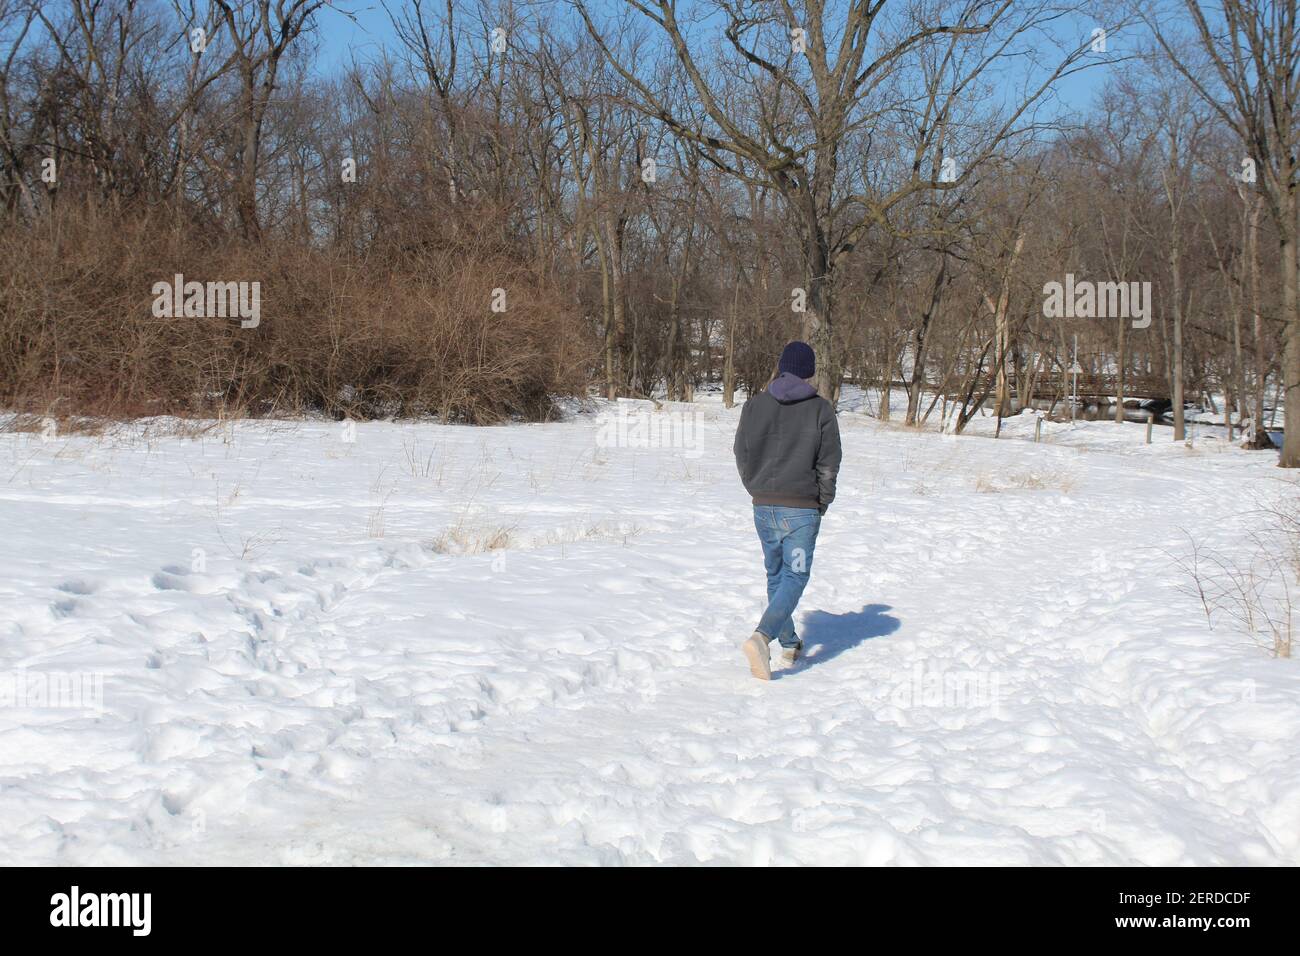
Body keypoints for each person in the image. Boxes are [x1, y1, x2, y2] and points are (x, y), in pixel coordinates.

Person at [732, 341, 842, 680]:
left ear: (781, 367)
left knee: (776, 576)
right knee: (795, 576)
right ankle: (762, 637)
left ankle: (789, 643)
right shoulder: (821, 410)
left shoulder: (753, 407)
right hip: (801, 511)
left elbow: (741, 453)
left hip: (764, 508)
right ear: (808, 371)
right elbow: (829, 463)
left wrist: (757, 488)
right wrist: (822, 500)